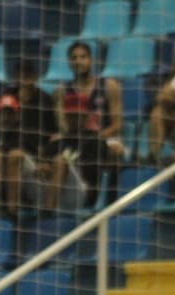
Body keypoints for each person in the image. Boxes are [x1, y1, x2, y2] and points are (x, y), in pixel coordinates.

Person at [46, 41, 125, 211]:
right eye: (74, 58)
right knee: (54, 148)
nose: (78, 61)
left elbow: (117, 124)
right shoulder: (62, 91)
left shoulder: (109, 86)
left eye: (83, 57)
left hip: (105, 137)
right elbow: (63, 127)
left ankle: (107, 203)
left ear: (91, 60)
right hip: (75, 139)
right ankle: (57, 205)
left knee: (113, 150)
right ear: (69, 63)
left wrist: (95, 137)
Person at [0, 60, 59, 219]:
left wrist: (45, 158)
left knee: (14, 155)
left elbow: (54, 134)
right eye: (20, 74)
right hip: (4, 153)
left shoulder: (45, 100)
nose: (24, 78)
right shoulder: (7, 96)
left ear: (35, 77)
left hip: (31, 158)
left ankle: (12, 211)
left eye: (28, 74)